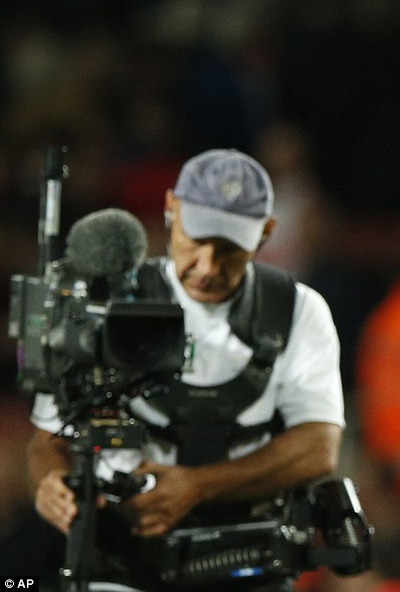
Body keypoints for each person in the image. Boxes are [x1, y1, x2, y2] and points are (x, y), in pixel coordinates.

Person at [27, 149, 346, 591]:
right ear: (170, 208)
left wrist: (197, 486)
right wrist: (51, 485)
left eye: (229, 249)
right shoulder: (104, 304)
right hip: (119, 561)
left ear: (267, 231)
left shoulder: (297, 311)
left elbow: (318, 447)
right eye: (195, 240)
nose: (207, 267)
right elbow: (48, 440)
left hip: (245, 563)